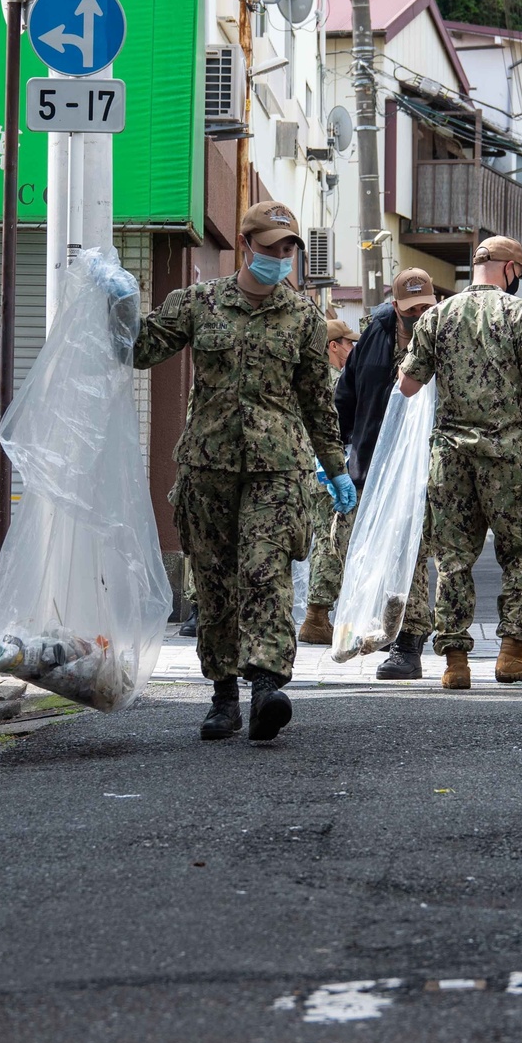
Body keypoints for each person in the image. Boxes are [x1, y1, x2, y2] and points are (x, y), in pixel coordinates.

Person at [131, 200, 356, 742]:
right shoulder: (198, 303)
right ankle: (223, 696)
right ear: (247, 244)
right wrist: (114, 306)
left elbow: (315, 401)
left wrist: (335, 467)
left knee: (266, 571)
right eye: (273, 247)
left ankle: (266, 689)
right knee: (213, 582)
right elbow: (140, 350)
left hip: (276, 469)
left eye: (289, 249)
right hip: (207, 466)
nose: (282, 257)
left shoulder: (303, 317)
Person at [398, 237, 522, 690]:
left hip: (450, 457)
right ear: (510, 269)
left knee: (453, 558)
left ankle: (455, 662)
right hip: (507, 457)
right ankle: (513, 653)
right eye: (519, 272)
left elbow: (406, 385)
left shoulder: (436, 316)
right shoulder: (521, 315)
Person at [333, 267, 439, 681]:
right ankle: (376, 624)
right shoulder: (375, 335)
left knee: (407, 551)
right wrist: (338, 458)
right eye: (411, 309)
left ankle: (408, 643)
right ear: (395, 306)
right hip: (369, 460)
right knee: (346, 541)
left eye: (426, 306)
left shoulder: (443, 334)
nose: (419, 315)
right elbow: (347, 394)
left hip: (422, 467)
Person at [299, 319, 359, 645]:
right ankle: (316, 616)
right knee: (330, 541)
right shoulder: (335, 382)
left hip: (306, 470)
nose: (352, 349)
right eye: (347, 343)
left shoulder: (304, 377)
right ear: (332, 346)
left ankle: (316, 615)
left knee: (319, 539)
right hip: (327, 472)